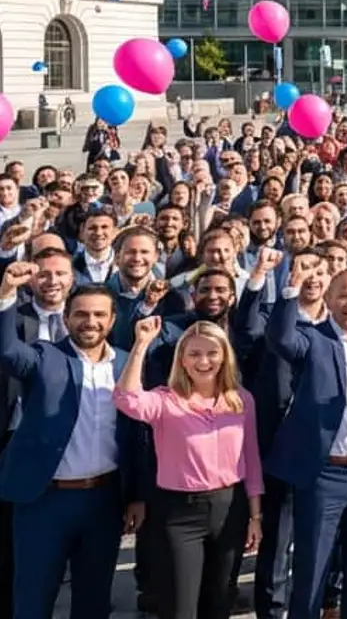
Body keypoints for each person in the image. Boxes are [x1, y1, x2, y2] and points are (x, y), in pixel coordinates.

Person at [0, 264, 143, 619]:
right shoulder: (45, 356)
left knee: (93, 601)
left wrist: (136, 495)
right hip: (44, 501)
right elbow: (7, 352)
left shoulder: (128, 365)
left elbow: (135, 437)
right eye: (80, 314)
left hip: (103, 501)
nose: (89, 322)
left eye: (98, 315)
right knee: (33, 598)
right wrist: (5, 294)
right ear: (66, 317)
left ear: (112, 321)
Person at [262, 260, 347, 619]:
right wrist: (291, 287)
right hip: (325, 475)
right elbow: (280, 338)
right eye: (344, 296)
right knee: (312, 568)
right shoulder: (312, 338)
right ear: (330, 298)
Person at [116, 315, 263, 619]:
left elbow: (251, 460)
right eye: (194, 353)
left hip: (229, 509)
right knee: (180, 607)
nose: (203, 361)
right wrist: (141, 344)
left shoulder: (241, 401)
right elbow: (126, 398)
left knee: (220, 602)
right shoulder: (164, 401)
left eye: (212, 353)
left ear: (224, 357)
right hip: (178, 513)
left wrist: (255, 516)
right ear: (181, 359)